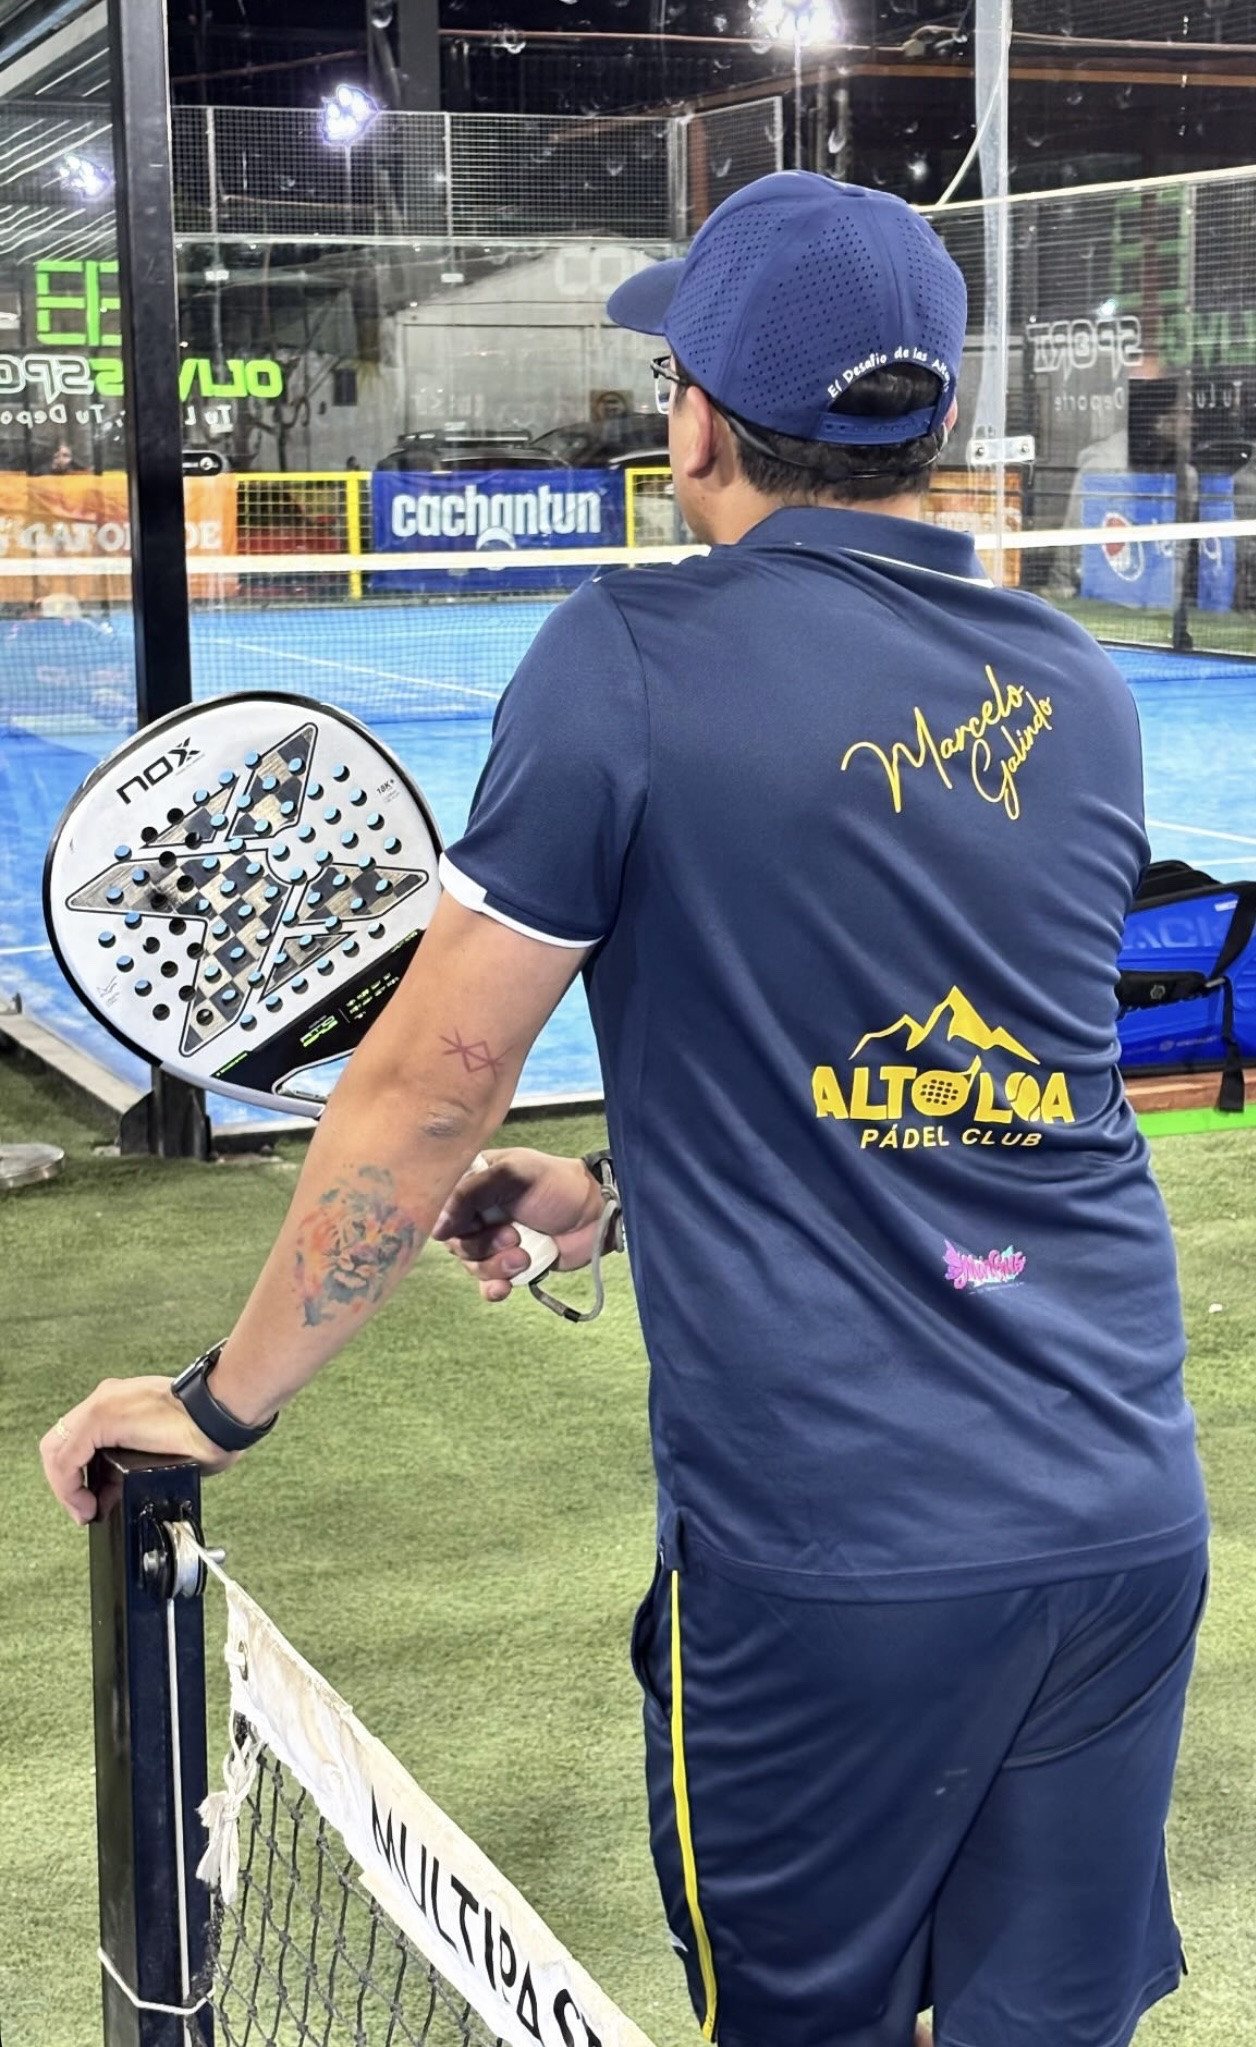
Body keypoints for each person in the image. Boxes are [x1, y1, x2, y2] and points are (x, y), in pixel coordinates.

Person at [41, 174, 1208, 2047]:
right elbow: (977, 1085)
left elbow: (429, 1087)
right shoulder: (1086, 691)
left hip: (832, 1565)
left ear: (700, 418)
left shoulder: (626, 659)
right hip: (1122, 1523)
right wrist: (616, 1189)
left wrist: (216, 1404)